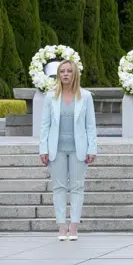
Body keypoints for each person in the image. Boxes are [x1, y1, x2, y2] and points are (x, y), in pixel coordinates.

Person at [39, 60, 98, 240]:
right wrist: (43, 149)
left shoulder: (86, 96)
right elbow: (45, 125)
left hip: (78, 149)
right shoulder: (50, 97)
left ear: (75, 74)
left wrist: (92, 148)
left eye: (69, 71)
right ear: (58, 74)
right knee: (59, 187)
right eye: (62, 71)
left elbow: (90, 126)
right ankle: (61, 227)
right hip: (56, 148)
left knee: (77, 187)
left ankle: (73, 227)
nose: (65, 74)